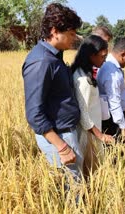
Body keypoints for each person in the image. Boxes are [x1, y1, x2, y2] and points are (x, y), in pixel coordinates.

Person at [22, 3, 84, 181]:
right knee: (73, 191)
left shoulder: (55, 56)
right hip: (59, 136)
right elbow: (34, 114)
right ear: (55, 31)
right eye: (71, 34)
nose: (74, 39)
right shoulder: (42, 62)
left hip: (66, 132)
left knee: (74, 186)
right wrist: (62, 147)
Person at [72, 35, 114, 176]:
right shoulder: (83, 79)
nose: (105, 60)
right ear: (91, 55)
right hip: (86, 136)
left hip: (91, 132)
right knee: (88, 172)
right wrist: (100, 136)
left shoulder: (86, 73)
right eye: (102, 56)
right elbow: (83, 114)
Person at [97, 38, 125, 139]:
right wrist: (123, 126)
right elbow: (113, 101)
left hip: (111, 115)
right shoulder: (111, 72)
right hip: (112, 119)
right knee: (115, 149)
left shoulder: (108, 65)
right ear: (123, 54)